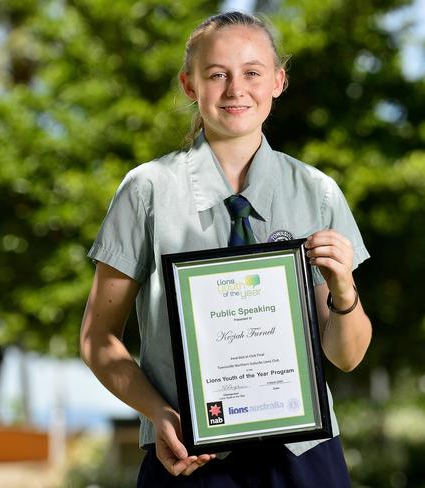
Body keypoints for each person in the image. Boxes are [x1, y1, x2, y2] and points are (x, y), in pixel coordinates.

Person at [80, 10, 372, 487]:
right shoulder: (146, 191)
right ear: (189, 85)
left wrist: (343, 289)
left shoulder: (318, 193)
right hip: (190, 457)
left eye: (253, 72)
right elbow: (97, 339)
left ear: (278, 81)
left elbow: (346, 356)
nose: (236, 89)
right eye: (217, 74)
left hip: (303, 458)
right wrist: (159, 415)